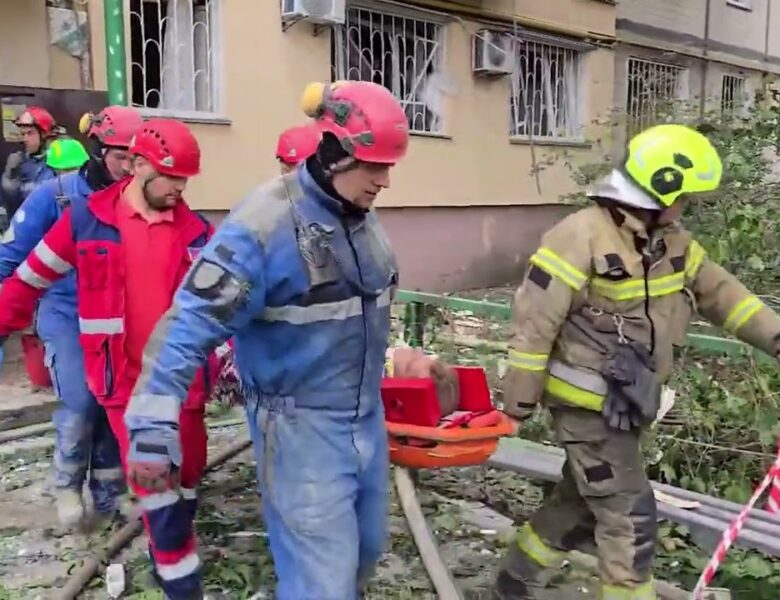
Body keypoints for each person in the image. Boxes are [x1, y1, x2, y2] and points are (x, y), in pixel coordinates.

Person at [122, 79, 408, 599]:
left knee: (364, 556)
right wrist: (150, 425)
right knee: (323, 584)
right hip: (300, 431)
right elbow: (186, 326)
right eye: (374, 166)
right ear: (332, 151)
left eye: (389, 166)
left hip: (365, 421)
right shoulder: (262, 226)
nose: (385, 181)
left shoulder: (361, 220)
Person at [492, 124, 780, 600]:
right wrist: (516, 405)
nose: (687, 207)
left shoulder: (669, 242)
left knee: (578, 501)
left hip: (627, 403)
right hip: (584, 408)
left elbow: (726, 296)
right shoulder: (578, 237)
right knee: (629, 515)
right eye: (685, 196)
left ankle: (513, 581)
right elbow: (534, 325)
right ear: (661, 187)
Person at [0, 117, 222, 599]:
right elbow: (26, 282)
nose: (180, 189)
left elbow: (225, 311)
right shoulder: (85, 220)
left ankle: (172, 542)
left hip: (183, 388)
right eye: (172, 177)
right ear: (139, 165)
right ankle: (180, 581)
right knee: (156, 489)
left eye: (186, 179)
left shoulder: (198, 233)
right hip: (125, 388)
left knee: (186, 479)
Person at [0, 106, 143, 528]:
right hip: (65, 312)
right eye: (121, 157)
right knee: (80, 400)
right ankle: (66, 483)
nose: (130, 167)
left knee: (112, 400)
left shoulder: (134, 198)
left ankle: (110, 492)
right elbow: (9, 254)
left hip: (117, 316)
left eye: (137, 159)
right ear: (99, 151)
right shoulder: (56, 196)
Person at [1, 106, 58, 225]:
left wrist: (13, 182)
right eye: (23, 134)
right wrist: (9, 176)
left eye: (29, 133)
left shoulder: (58, 159)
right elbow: (12, 205)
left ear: (44, 134)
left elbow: (43, 196)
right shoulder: (21, 161)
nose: (24, 139)